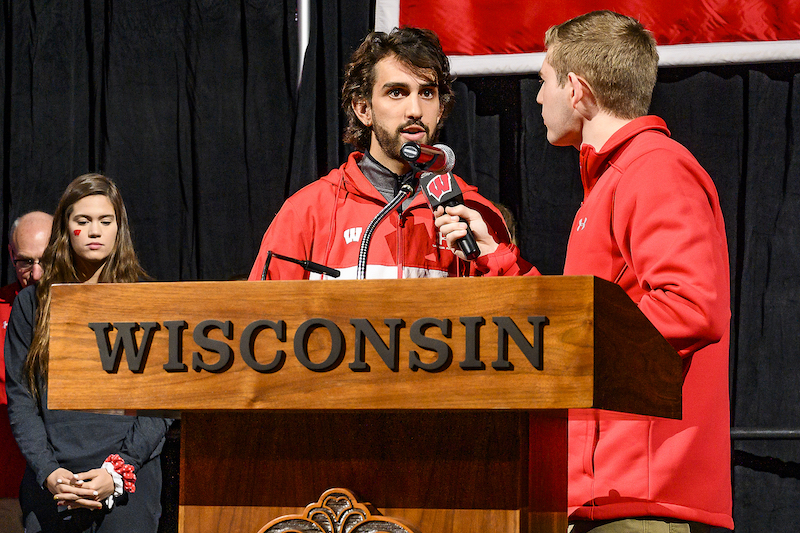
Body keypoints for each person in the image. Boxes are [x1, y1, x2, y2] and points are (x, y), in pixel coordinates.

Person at [434, 10, 733, 533]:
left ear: (575, 89)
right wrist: (498, 261)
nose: (536, 98)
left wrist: (568, 339)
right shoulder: (614, 181)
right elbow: (584, 314)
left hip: (640, 497)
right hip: (605, 495)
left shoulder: (654, 170)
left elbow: (692, 308)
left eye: (543, 81)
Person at [248, 27, 510, 280]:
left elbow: (518, 314)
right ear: (364, 109)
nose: (415, 110)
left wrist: (493, 259)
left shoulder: (474, 211)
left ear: (440, 110)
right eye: (397, 92)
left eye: (427, 93)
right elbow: (259, 319)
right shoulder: (307, 212)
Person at [4, 174, 172, 532]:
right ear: (66, 228)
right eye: (83, 221)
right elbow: (21, 398)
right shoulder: (30, 305)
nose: (95, 230)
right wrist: (48, 471)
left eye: (105, 221)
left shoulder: (150, 300)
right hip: (53, 482)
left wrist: (118, 471)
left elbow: (163, 400)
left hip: (128, 483)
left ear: (118, 228)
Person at [1, 211, 53, 533]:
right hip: (6, 489)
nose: (35, 274)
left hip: (62, 486)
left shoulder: (88, 309)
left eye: (44, 260)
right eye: (24, 262)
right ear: (10, 255)